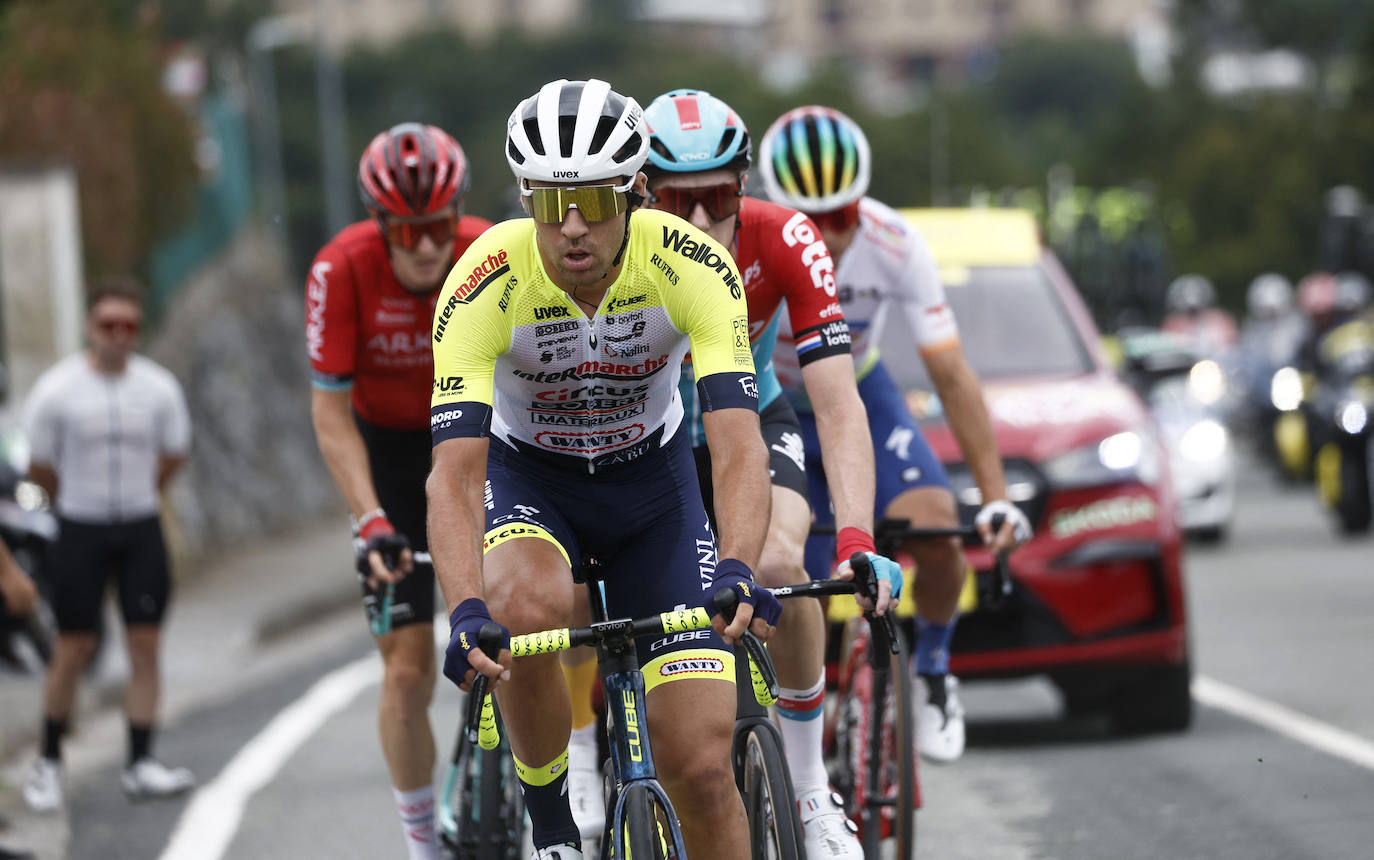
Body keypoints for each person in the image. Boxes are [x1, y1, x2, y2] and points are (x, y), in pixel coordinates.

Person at [427, 78, 800, 860]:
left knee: (699, 766)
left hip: (654, 493)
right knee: (526, 606)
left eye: (594, 201)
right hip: (534, 482)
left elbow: (736, 444)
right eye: (548, 202)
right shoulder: (483, 279)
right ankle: (555, 825)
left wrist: (736, 562)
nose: (570, 228)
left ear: (634, 195)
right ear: (525, 198)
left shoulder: (693, 264)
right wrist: (465, 609)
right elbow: (454, 478)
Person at [599, 87, 902, 859]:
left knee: (777, 565)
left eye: (719, 198)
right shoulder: (607, 252)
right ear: (640, 197)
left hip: (753, 428)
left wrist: (858, 536)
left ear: (745, 189)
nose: (701, 222)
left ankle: (807, 787)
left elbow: (836, 404)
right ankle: (584, 764)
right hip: (647, 449)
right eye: (675, 199)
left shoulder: (787, 237)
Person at [756, 105, 1032, 762]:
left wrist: (995, 496)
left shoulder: (895, 241)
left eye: (842, 217)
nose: (827, 235)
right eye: (809, 221)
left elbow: (950, 373)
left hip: (858, 394)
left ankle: (934, 672)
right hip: (776, 404)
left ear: (863, 202)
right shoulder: (750, 241)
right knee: (790, 574)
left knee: (937, 530)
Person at [307, 122, 492, 859]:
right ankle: (423, 843)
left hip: (475, 438)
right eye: (408, 230)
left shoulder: (488, 250)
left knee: (523, 617)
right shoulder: (342, 268)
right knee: (408, 668)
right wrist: (371, 520)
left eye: (439, 226)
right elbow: (328, 411)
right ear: (379, 224)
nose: (425, 247)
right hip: (385, 449)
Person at [21, 276, 195, 812]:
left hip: (140, 526)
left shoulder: (159, 387)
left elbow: (172, 454)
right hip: (81, 527)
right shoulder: (56, 391)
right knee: (74, 646)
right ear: (89, 327)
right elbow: (40, 467)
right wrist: (76, 500)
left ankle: (140, 762)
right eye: (108, 326)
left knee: (146, 645)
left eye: (129, 326)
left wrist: (142, 492)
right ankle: (48, 762)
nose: (119, 336)